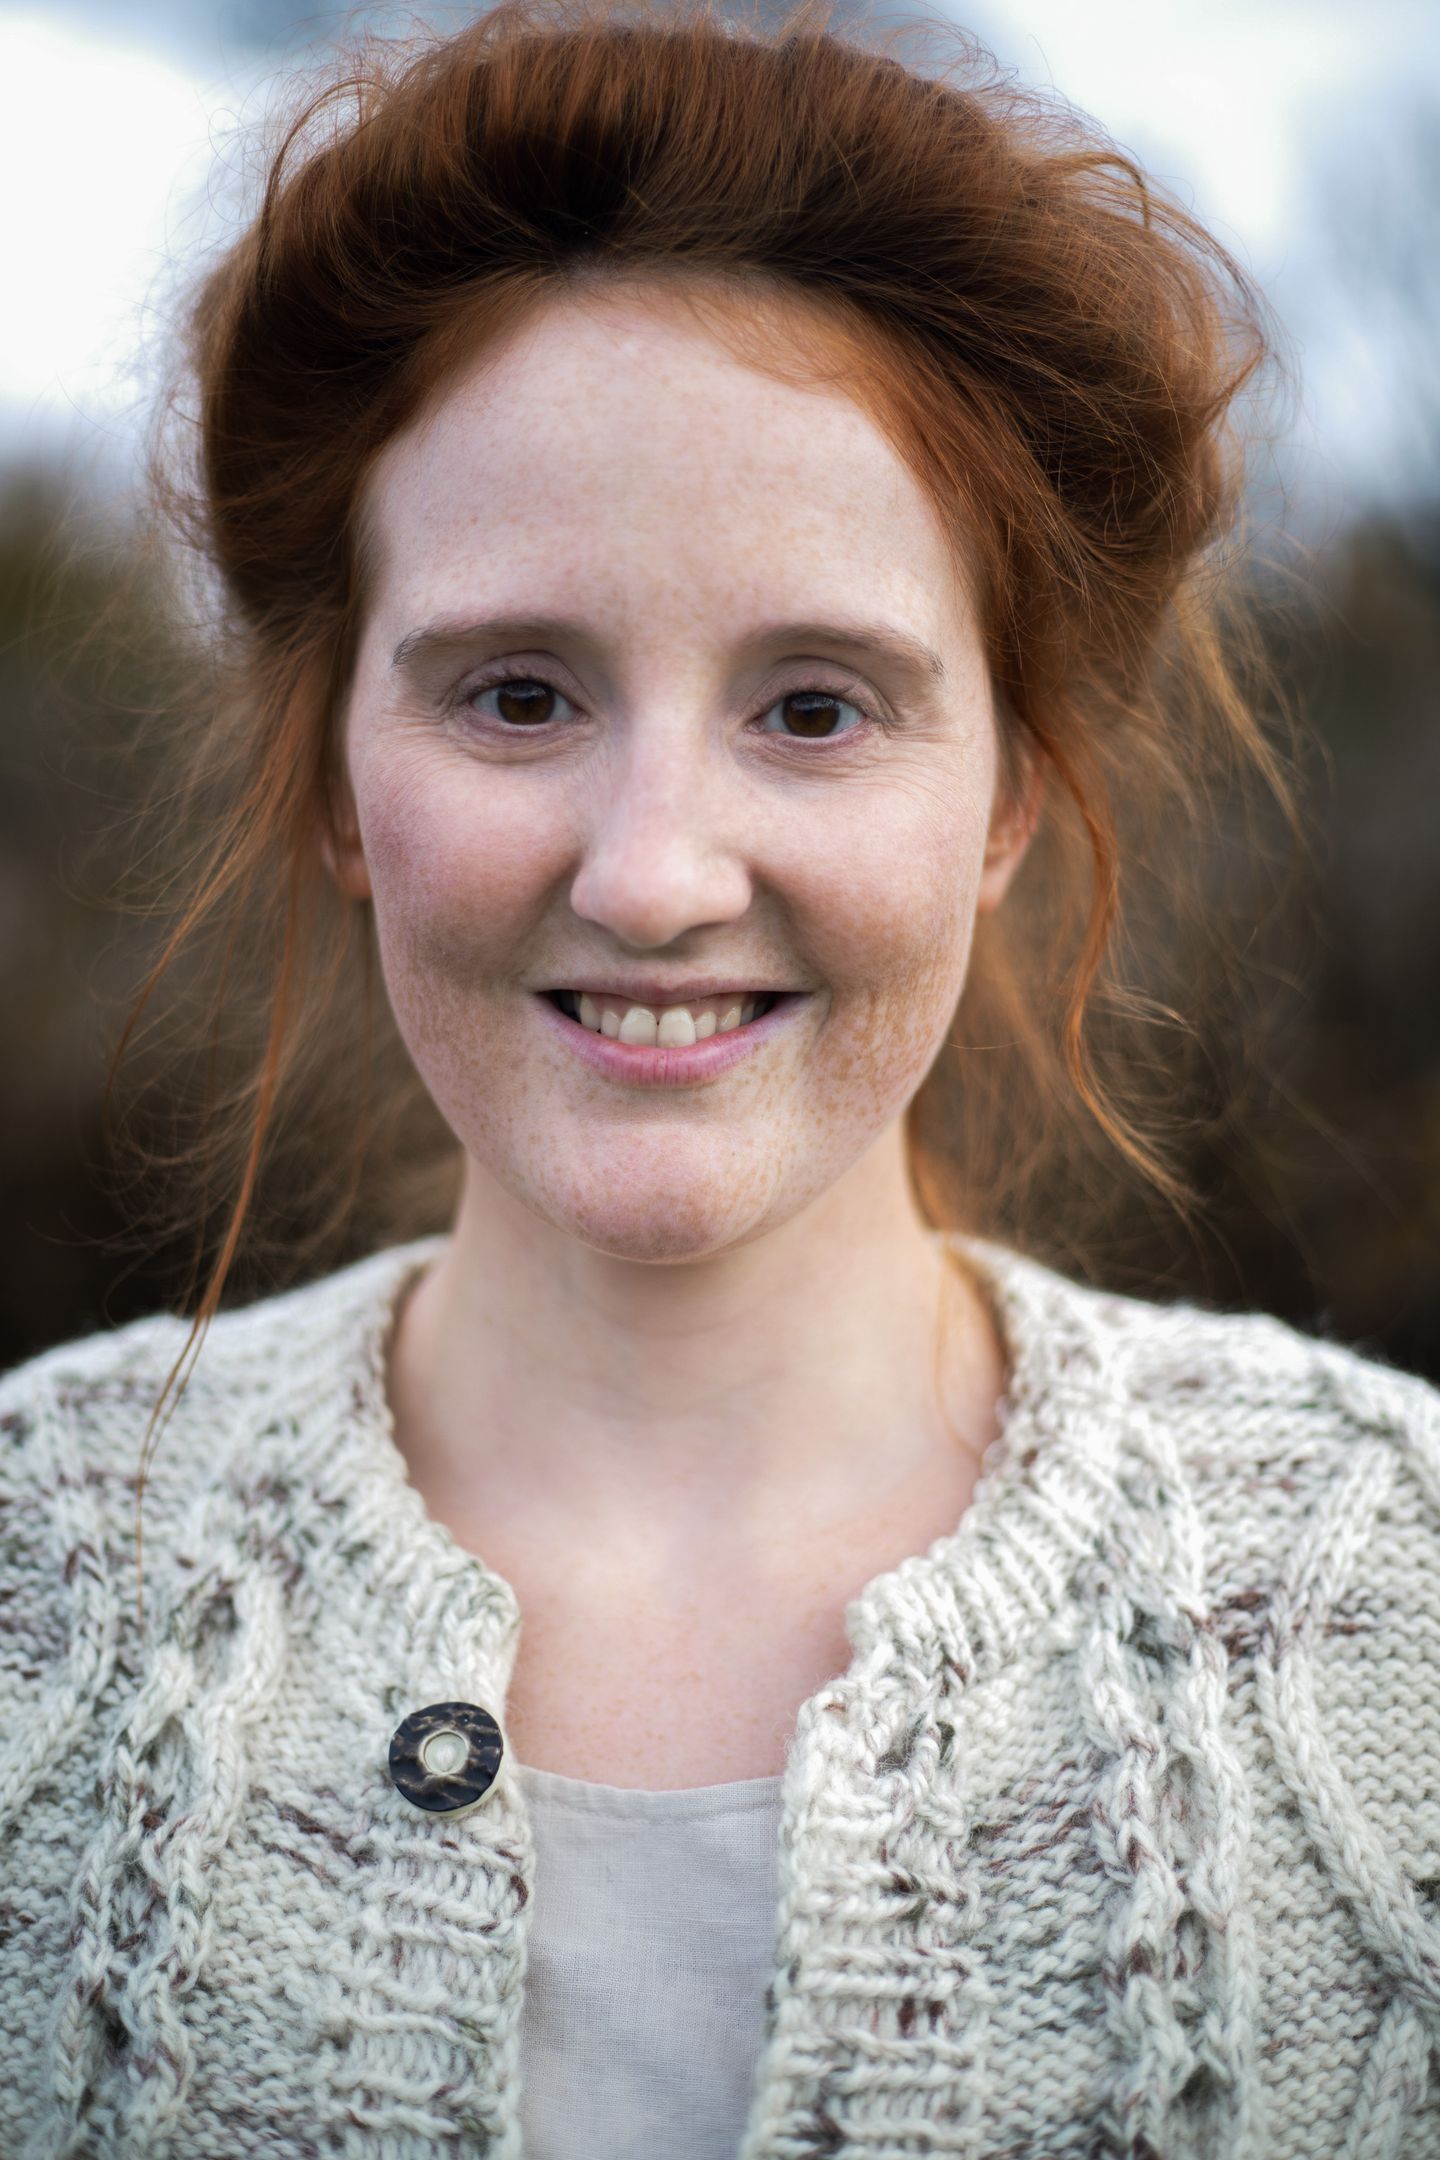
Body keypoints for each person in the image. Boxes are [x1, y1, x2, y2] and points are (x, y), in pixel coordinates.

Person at [2, 3, 1437, 2155]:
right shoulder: (32, 1576)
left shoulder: (1399, 1596)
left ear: (1011, 795)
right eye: (517, 694)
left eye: (817, 707)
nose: (656, 874)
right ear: (332, 777)